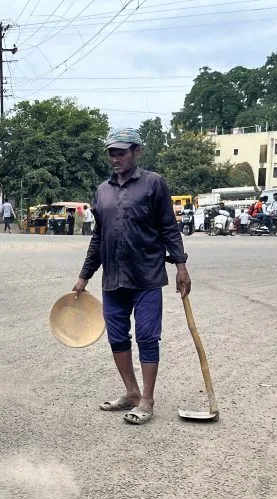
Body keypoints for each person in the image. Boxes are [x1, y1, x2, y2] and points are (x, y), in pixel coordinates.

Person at [72, 127, 190, 426]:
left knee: (147, 337)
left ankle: (147, 400)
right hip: (113, 278)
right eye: (111, 153)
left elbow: (168, 227)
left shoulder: (154, 184)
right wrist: (84, 276)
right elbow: (98, 237)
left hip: (147, 275)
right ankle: (132, 392)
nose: (115, 158)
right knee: (116, 337)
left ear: (137, 151)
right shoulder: (102, 190)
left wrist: (180, 265)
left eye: (121, 152)